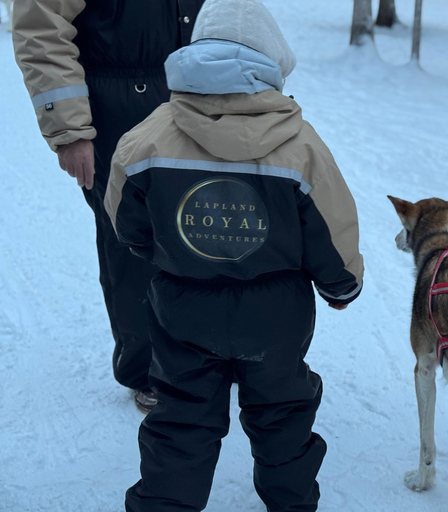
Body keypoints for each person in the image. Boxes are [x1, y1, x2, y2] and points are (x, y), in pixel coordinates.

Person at [105, 0, 364, 510]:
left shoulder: (148, 138)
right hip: (276, 313)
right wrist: (340, 285)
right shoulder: (301, 146)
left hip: (183, 306)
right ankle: (291, 502)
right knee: (283, 411)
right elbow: (332, 228)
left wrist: (162, 253)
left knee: (181, 415)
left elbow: (126, 220)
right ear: (272, 63)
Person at [12, 0, 205, 412]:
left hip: (205, 103)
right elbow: (40, 26)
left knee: (206, 232)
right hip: (119, 112)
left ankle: (211, 355)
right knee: (135, 245)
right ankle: (153, 370)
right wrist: (70, 129)